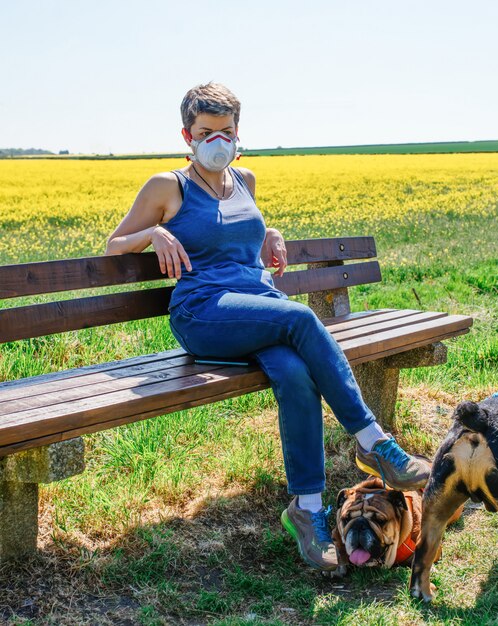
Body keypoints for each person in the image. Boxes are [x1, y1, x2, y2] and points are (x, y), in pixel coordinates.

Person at [105, 82, 430, 571]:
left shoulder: (245, 180)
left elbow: (240, 239)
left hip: (256, 307)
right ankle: (373, 444)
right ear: (187, 136)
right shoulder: (167, 186)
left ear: (239, 133)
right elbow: (114, 244)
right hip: (203, 313)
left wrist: (268, 232)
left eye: (227, 131)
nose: (218, 141)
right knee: (301, 316)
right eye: (206, 132)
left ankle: (309, 509)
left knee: (296, 375)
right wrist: (154, 232)